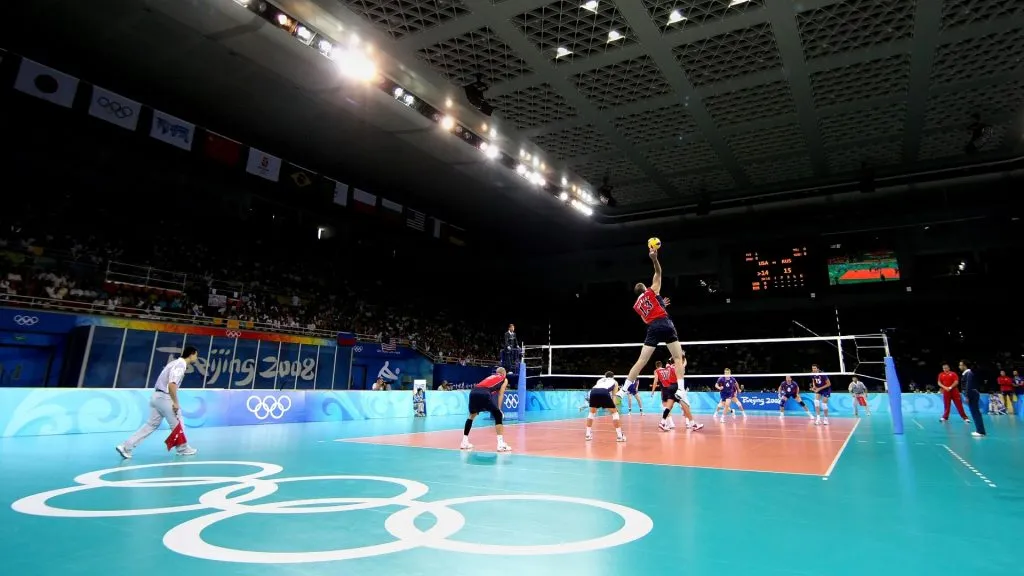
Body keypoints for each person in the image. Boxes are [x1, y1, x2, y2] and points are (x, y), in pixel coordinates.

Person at [623, 246, 686, 405]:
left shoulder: (637, 306)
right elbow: (658, 273)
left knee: (641, 361)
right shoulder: (651, 291)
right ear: (644, 288)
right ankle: (681, 389)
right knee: (678, 358)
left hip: (652, 328)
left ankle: (624, 390)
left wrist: (660, 305)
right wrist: (654, 259)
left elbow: (647, 319)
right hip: (665, 323)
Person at [116, 346, 199, 459]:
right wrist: (175, 402)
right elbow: (172, 384)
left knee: (150, 425)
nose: (196, 358)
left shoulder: (173, 363)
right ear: (191, 354)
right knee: (178, 423)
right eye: (196, 355)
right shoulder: (180, 365)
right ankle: (183, 448)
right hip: (165, 397)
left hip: (156, 397)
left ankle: (126, 446)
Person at [462, 367, 512, 452]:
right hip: (484, 393)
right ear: (504, 374)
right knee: (498, 415)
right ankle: (500, 445)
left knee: (471, 415)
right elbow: (500, 393)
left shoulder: (490, 377)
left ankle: (464, 442)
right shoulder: (504, 378)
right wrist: (499, 409)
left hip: (473, 392)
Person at [651, 358, 703, 432]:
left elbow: (668, 362)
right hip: (676, 387)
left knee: (669, 406)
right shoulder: (678, 367)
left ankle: (662, 423)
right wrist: (684, 358)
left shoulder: (668, 367)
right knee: (685, 405)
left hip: (670, 387)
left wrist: (674, 356)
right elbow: (684, 364)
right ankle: (693, 424)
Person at [586, 371, 626, 442]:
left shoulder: (600, 380)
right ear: (613, 376)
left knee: (591, 413)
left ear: (605, 376)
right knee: (615, 413)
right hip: (604, 392)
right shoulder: (615, 382)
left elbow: (597, 389)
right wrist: (614, 407)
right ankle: (620, 436)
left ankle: (588, 434)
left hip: (593, 391)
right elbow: (614, 396)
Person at [959, 359, 986, 437]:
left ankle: (980, 431)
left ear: (964, 365)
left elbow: (968, 385)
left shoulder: (968, 373)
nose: (959, 366)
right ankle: (979, 430)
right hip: (972, 393)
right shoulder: (966, 373)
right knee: (975, 412)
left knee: (975, 412)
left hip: (972, 394)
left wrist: (967, 396)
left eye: (960, 365)